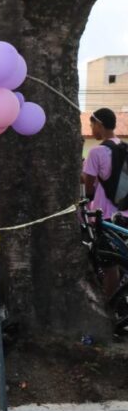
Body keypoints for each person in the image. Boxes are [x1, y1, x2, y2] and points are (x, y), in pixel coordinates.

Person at [83, 107, 124, 297]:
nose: (92, 130)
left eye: (92, 125)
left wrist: (89, 198)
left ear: (99, 124)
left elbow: (88, 185)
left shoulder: (96, 152)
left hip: (105, 216)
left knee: (110, 266)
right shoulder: (125, 147)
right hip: (125, 213)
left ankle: (109, 306)